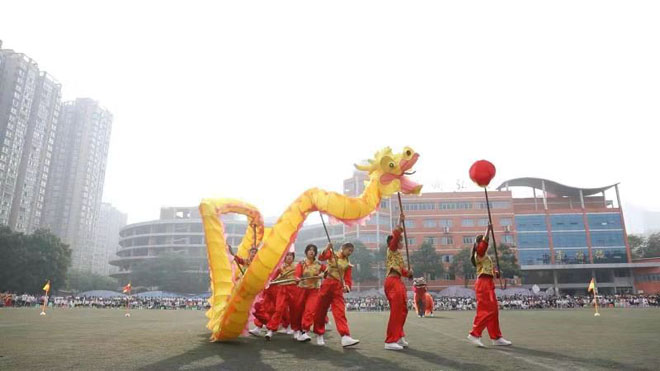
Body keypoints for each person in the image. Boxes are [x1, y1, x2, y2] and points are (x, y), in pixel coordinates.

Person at [467, 225, 512, 347]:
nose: (485, 243)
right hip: (483, 284)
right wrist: (488, 230)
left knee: (494, 310)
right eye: (482, 241)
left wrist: (496, 273)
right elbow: (484, 243)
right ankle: (475, 334)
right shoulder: (480, 252)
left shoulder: (484, 256)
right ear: (478, 244)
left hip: (487, 282)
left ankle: (496, 337)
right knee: (488, 310)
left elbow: (488, 269)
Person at [312, 242, 360, 347]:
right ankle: (319, 334)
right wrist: (327, 248)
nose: (350, 253)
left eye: (352, 251)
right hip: (327, 284)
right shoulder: (332, 254)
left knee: (340, 311)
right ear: (343, 248)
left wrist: (346, 286)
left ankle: (345, 336)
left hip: (338, 288)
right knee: (320, 310)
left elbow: (347, 278)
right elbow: (321, 257)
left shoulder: (348, 264)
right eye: (349, 250)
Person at [384, 222, 413, 350]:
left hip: (398, 281)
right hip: (392, 282)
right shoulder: (392, 249)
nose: (400, 242)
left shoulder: (399, 256)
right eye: (399, 240)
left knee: (403, 310)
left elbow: (403, 271)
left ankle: (399, 336)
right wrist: (400, 222)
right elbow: (395, 236)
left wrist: (409, 273)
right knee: (396, 311)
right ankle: (390, 341)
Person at [293, 244, 327, 342]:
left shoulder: (319, 264)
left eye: (313, 250)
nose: (311, 251)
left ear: (315, 253)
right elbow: (297, 275)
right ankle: (298, 330)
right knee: (299, 311)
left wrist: (323, 274)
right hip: (302, 290)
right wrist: (297, 278)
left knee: (310, 310)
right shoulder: (301, 263)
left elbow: (328, 271)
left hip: (314, 290)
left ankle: (304, 330)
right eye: (309, 250)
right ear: (306, 251)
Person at [264, 252, 297, 340]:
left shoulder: (297, 267)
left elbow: (300, 276)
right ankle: (271, 330)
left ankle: (295, 329)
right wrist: (269, 282)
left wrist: (298, 279)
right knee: (279, 309)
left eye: (291, 255)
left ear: (293, 258)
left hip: (294, 289)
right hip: (282, 289)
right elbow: (273, 278)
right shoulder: (281, 267)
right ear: (284, 257)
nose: (289, 257)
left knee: (295, 310)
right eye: (287, 255)